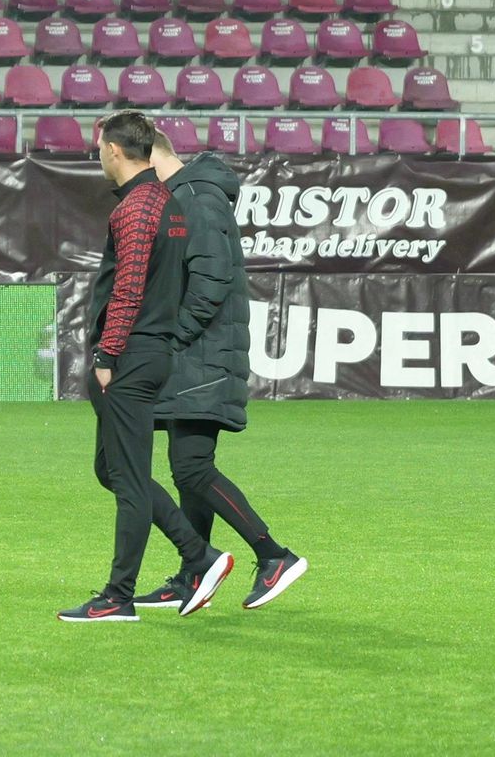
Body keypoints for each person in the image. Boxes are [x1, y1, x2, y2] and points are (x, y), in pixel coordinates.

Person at [58, 111, 234, 623]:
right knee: (113, 469)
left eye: (100, 148)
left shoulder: (135, 208)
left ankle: (122, 594)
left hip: (130, 356)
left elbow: (129, 288)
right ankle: (197, 555)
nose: (98, 156)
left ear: (114, 150)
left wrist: (107, 355)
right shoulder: (166, 202)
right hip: (150, 351)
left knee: (130, 480)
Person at [132, 132, 308, 612]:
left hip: (202, 355)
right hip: (197, 356)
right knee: (187, 467)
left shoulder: (196, 197)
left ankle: (274, 555)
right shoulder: (186, 195)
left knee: (192, 467)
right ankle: (194, 574)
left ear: (149, 157)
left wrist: (170, 340)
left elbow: (211, 282)